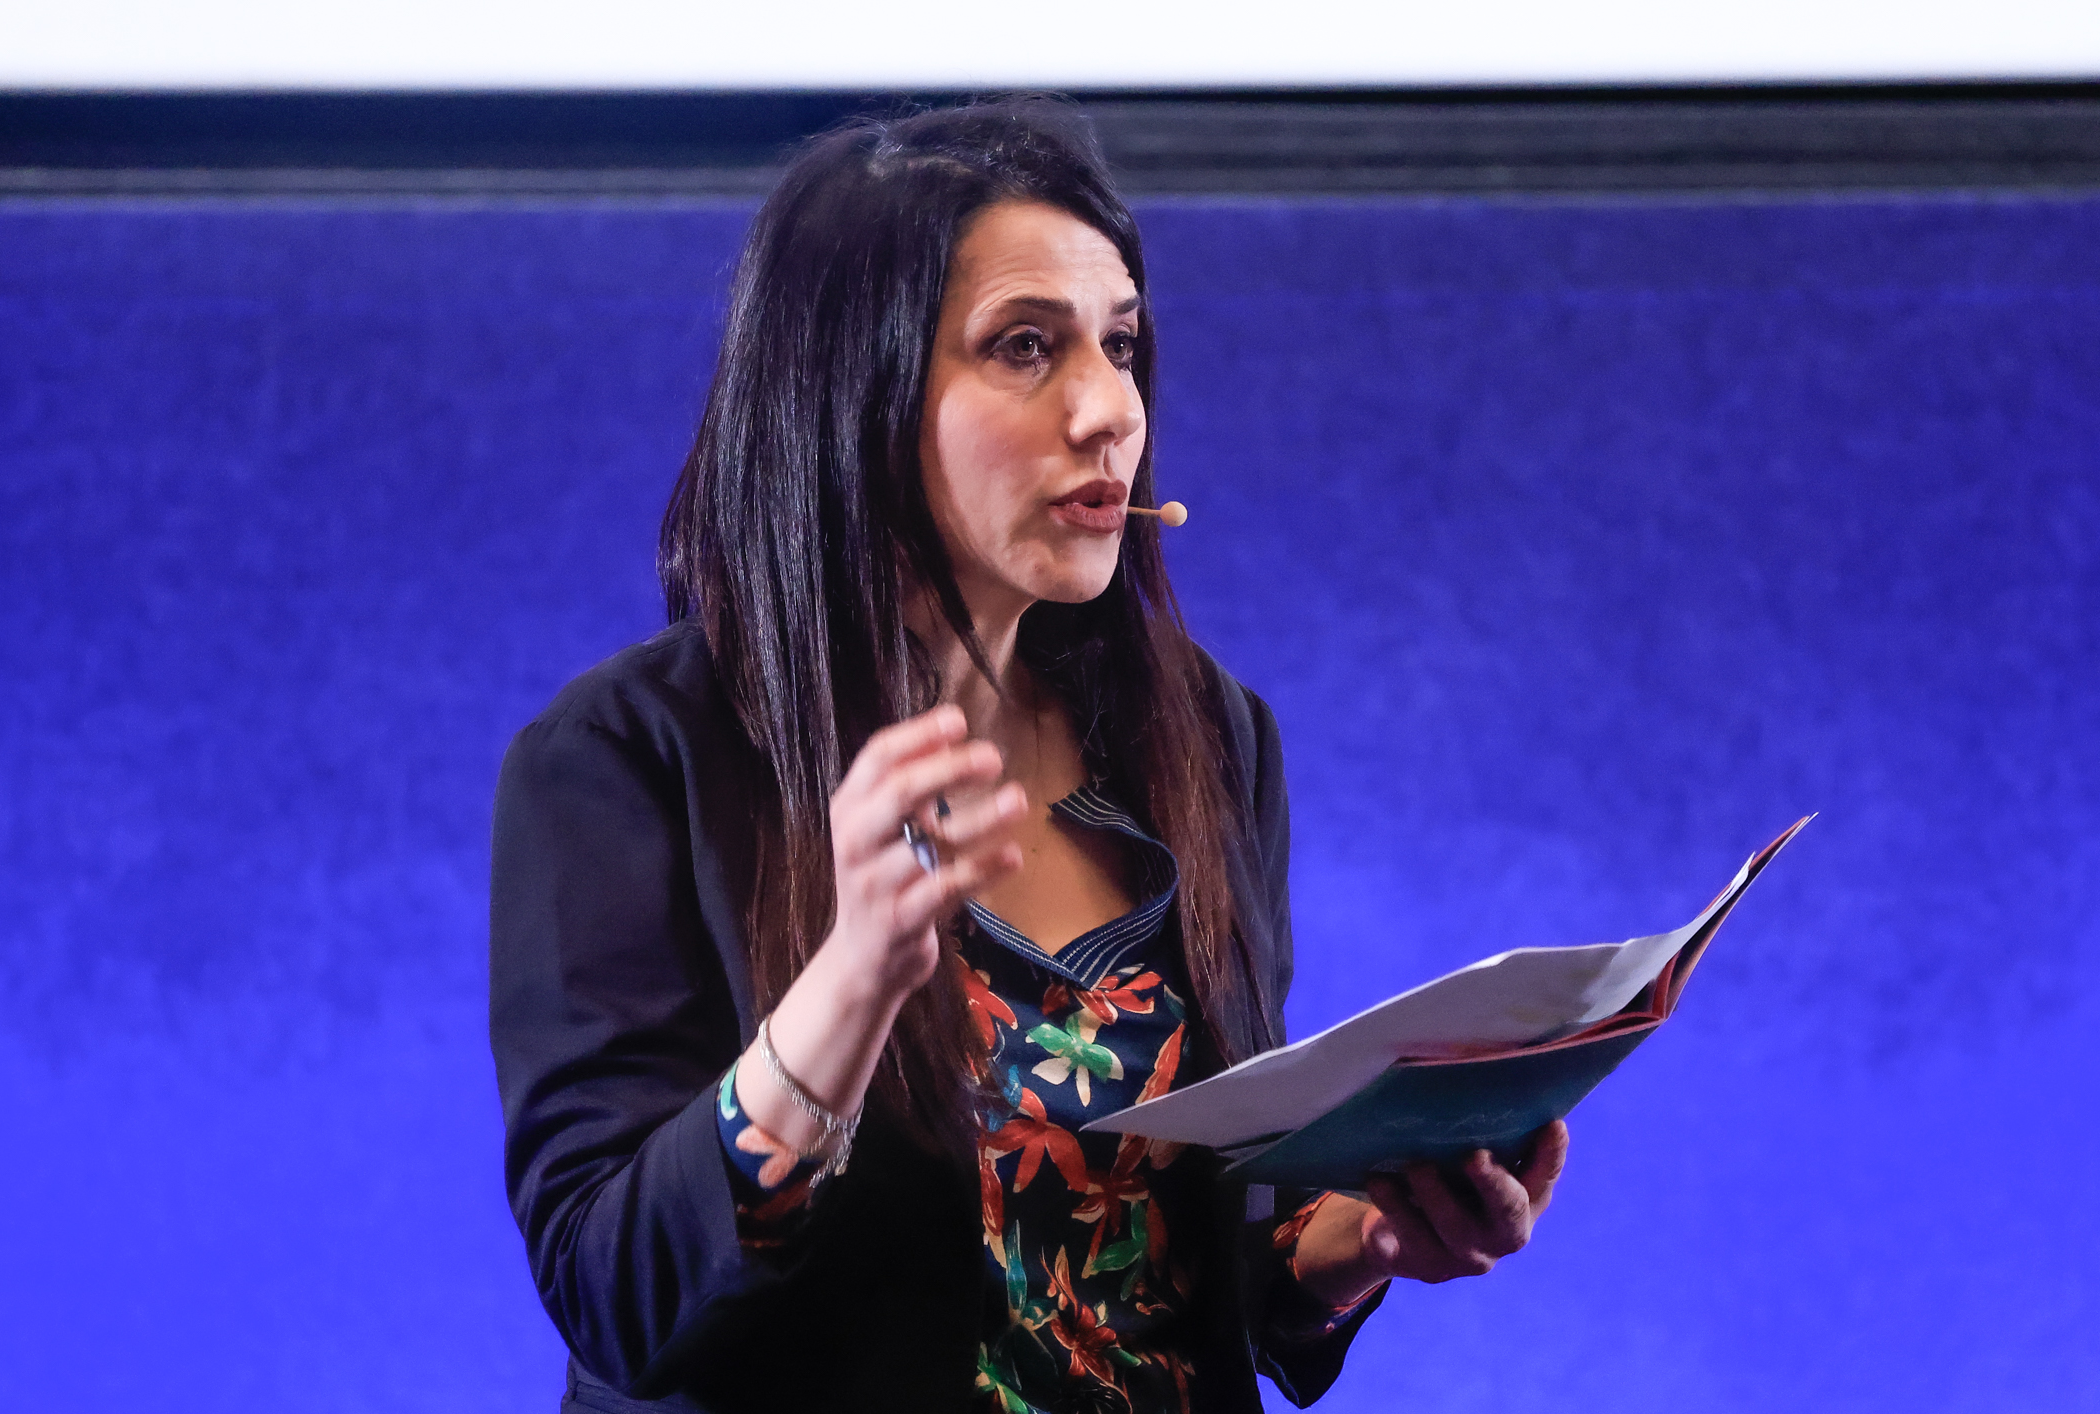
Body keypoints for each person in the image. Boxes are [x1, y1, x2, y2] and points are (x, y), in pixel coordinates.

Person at [488, 98, 1570, 1414]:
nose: (1110, 410)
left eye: (1121, 345)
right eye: (1023, 347)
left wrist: (1363, 1242)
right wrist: (848, 984)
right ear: (854, 396)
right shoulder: (621, 758)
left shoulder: (1208, 732)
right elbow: (612, 1290)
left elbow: (1203, 1250)